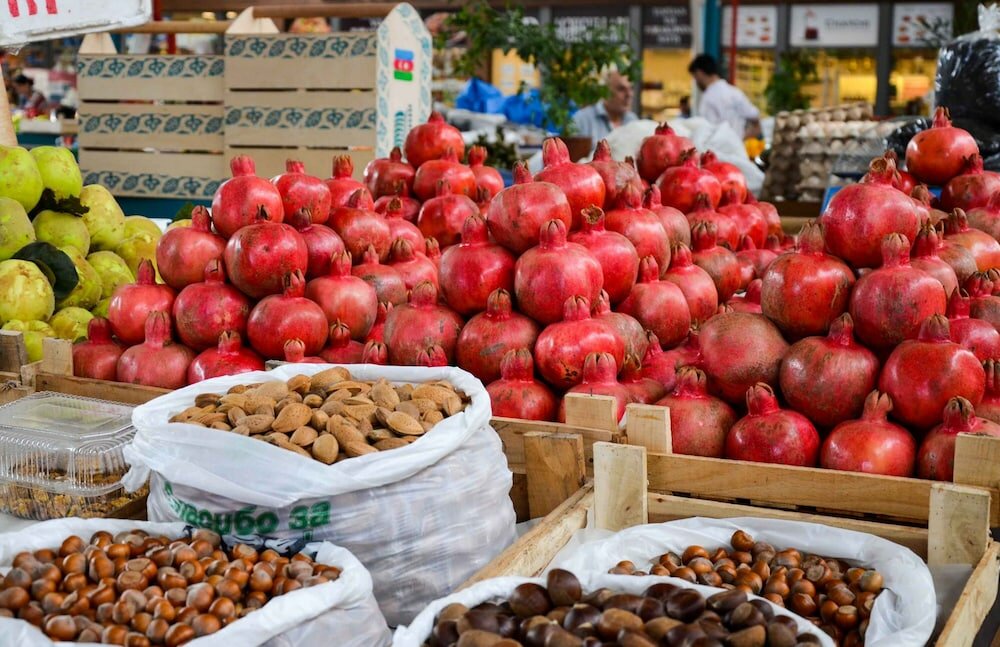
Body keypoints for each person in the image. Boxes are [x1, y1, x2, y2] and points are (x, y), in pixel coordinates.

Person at [688, 54, 761, 139]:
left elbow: (705, 132)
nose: (695, 81)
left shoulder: (708, 98)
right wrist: (740, 139)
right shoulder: (735, 92)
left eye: (695, 77)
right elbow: (756, 120)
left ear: (699, 73)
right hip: (736, 145)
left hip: (714, 146)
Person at [570, 69, 637, 143]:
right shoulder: (581, 120)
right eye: (621, 89)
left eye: (631, 88)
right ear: (605, 91)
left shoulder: (632, 120)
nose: (629, 94)